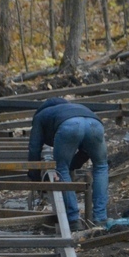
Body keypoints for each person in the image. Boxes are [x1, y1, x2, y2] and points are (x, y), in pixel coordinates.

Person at [27, 98, 109, 230]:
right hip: (95, 124)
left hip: (69, 125)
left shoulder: (40, 116)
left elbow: (34, 148)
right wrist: (74, 165)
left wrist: (35, 178)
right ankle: (100, 218)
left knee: (62, 169)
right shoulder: (77, 107)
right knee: (101, 166)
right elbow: (85, 151)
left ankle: (73, 220)